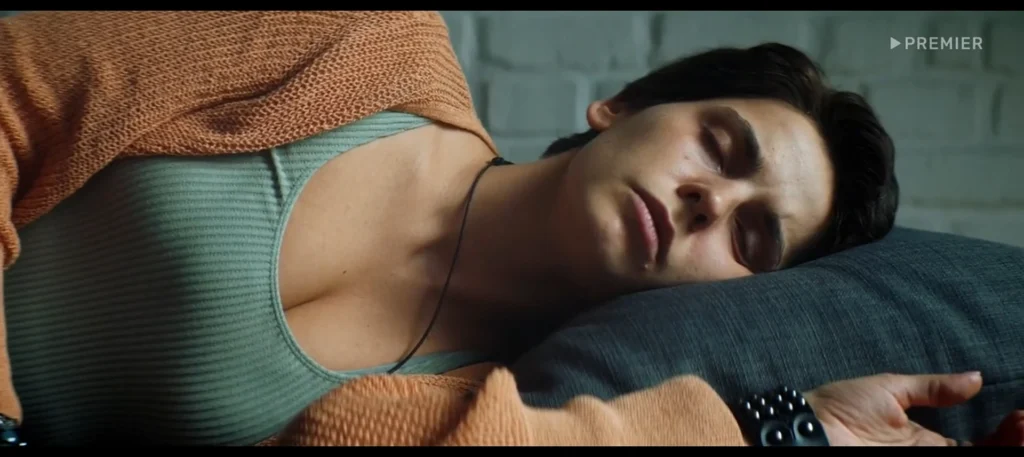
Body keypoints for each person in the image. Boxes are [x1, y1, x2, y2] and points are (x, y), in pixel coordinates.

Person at [0, 10, 1019, 447]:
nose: (711, 202)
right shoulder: (369, 42)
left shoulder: (505, 400)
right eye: (720, 144)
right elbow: (14, 88)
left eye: (751, 240)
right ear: (620, 105)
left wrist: (783, 430)